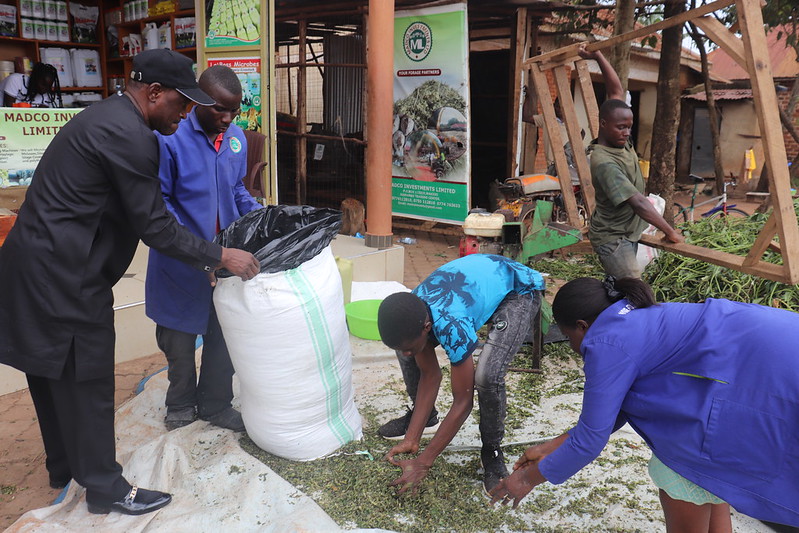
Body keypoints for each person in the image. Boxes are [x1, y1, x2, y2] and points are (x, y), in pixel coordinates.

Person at [0, 49, 261, 516]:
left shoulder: (107, 118)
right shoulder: (132, 136)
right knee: (90, 378)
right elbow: (155, 225)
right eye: (182, 103)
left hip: (33, 265)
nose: (186, 114)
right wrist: (221, 254)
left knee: (51, 373)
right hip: (64, 275)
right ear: (154, 93)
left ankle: (63, 467)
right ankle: (105, 488)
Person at [489, 276, 799, 531]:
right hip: (777, 340)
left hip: (772, 375)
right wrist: (549, 447)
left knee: (679, 468)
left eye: (569, 337)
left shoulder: (606, 341)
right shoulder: (634, 313)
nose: (571, 347)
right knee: (715, 485)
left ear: (582, 326)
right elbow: (616, 408)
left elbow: (589, 442)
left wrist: (525, 479)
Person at [146, 64, 262, 432]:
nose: (227, 118)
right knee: (178, 343)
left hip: (226, 260)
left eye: (234, 110)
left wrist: (262, 218)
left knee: (223, 335)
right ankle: (179, 404)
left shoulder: (236, 139)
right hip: (179, 260)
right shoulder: (170, 138)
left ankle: (215, 403)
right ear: (197, 101)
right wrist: (201, 251)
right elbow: (160, 204)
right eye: (218, 109)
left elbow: (237, 190)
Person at [376, 254, 544, 494]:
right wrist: (412, 438)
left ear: (426, 327)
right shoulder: (413, 308)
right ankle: (424, 418)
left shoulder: (451, 325)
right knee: (409, 353)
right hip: (478, 282)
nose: (404, 354)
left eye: (409, 346)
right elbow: (430, 376)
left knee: (487, 376)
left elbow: (463, 402)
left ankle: (492, 450)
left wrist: (424, 462)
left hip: (518, 290)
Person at [578, 46, 683, 279]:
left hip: (627, 232)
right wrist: (670, 232)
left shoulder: (619, 140)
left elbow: (616, 89)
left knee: (618, 288)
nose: (626, 133)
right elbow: (638, 202)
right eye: (621, 127)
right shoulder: (604, 162)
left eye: (629, 127)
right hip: (614, 239)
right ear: (603, 124)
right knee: (635, 291)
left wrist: (598, 56)